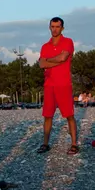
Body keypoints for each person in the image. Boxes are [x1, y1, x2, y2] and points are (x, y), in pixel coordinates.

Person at [36, 17, 78, 155]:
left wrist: (48, 61)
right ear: (49, 27)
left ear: (62, 28)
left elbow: (62, 57)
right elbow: (42, 65)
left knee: (69, 115)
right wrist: (55, 60)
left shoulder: (68, 42)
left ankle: (74, 144)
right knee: (47, 115)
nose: (55, 29)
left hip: (63, 84)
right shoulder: (45, 46)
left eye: (57, 26)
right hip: (49, 85)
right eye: (52, 26)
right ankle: (45, 143)